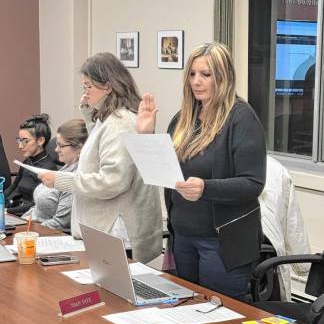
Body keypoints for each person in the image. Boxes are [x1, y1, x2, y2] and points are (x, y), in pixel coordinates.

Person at [137, 42, 267, 300]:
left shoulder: (241, 118)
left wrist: (206, 188)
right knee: (187, 312)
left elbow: (253, 183)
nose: (197, 82)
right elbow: (163, 169)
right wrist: (146, 135)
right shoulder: (183, 118)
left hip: (221, 243)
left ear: (223, 77)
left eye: (205, 75)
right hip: (182, 236)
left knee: (220, 319)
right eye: (192, 74)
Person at [39, 52, 162, 263]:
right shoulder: (108, 120)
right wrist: (89, 112)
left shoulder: (120, 122)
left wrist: (61, 181)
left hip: (117, 232)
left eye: (88, 86)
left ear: (108, 86)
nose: (85, 92)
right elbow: (96, 150)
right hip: (107, 229)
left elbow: (111, 182)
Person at [259, 155, 311, 300]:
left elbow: (292, 221)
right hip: (265, 263)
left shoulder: (275, 168)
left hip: (264, 262)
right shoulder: (275, 166)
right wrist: (303, 265)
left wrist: (304, 266)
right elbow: (292, 221)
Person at [22, 119, 88, 234]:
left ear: (79, 147)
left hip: (49, 235)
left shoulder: (75, 177)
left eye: (61, 145)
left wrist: (28, 232)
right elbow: (37, 208)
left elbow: (61, 223)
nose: (56, 149)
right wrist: (20, 223)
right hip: (34, 229)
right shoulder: (66, 167)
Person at [5, 114, 57, 216]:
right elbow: (13, 187)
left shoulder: (48, 169)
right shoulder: (27, 162)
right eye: (19, 140)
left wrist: (6, 211)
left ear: (40, 141)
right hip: (13, 209)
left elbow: (36, 204)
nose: (20, 146)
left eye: (25, 141)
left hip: (27, 216)